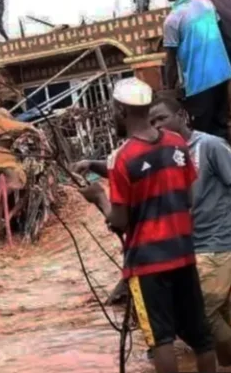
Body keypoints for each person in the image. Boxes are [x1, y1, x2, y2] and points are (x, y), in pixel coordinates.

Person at [77, 78, 217, 373]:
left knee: (160, 340)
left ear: (120, 111)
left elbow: (120, 221)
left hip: (148, 264)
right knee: (202, 339)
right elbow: (188, 197)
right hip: (183, 254)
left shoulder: (122, 158)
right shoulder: (178, 144)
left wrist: (98, 196)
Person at [149, 94, 231, 366]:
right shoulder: (167, 155)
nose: (158, 126)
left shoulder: (210, 145)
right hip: (188, 247)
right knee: (222, 312)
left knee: (199, 314)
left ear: (181, 116)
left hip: (218, 242)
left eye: (162, 118)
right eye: (152, 122)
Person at [163, 0, 231, 139]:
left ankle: (213, 163)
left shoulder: (172, 19)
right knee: (221, 126)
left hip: (199, 83)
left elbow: (170, 62)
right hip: (222, 76)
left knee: (203, 134)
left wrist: (168, 89)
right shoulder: (207, 3)